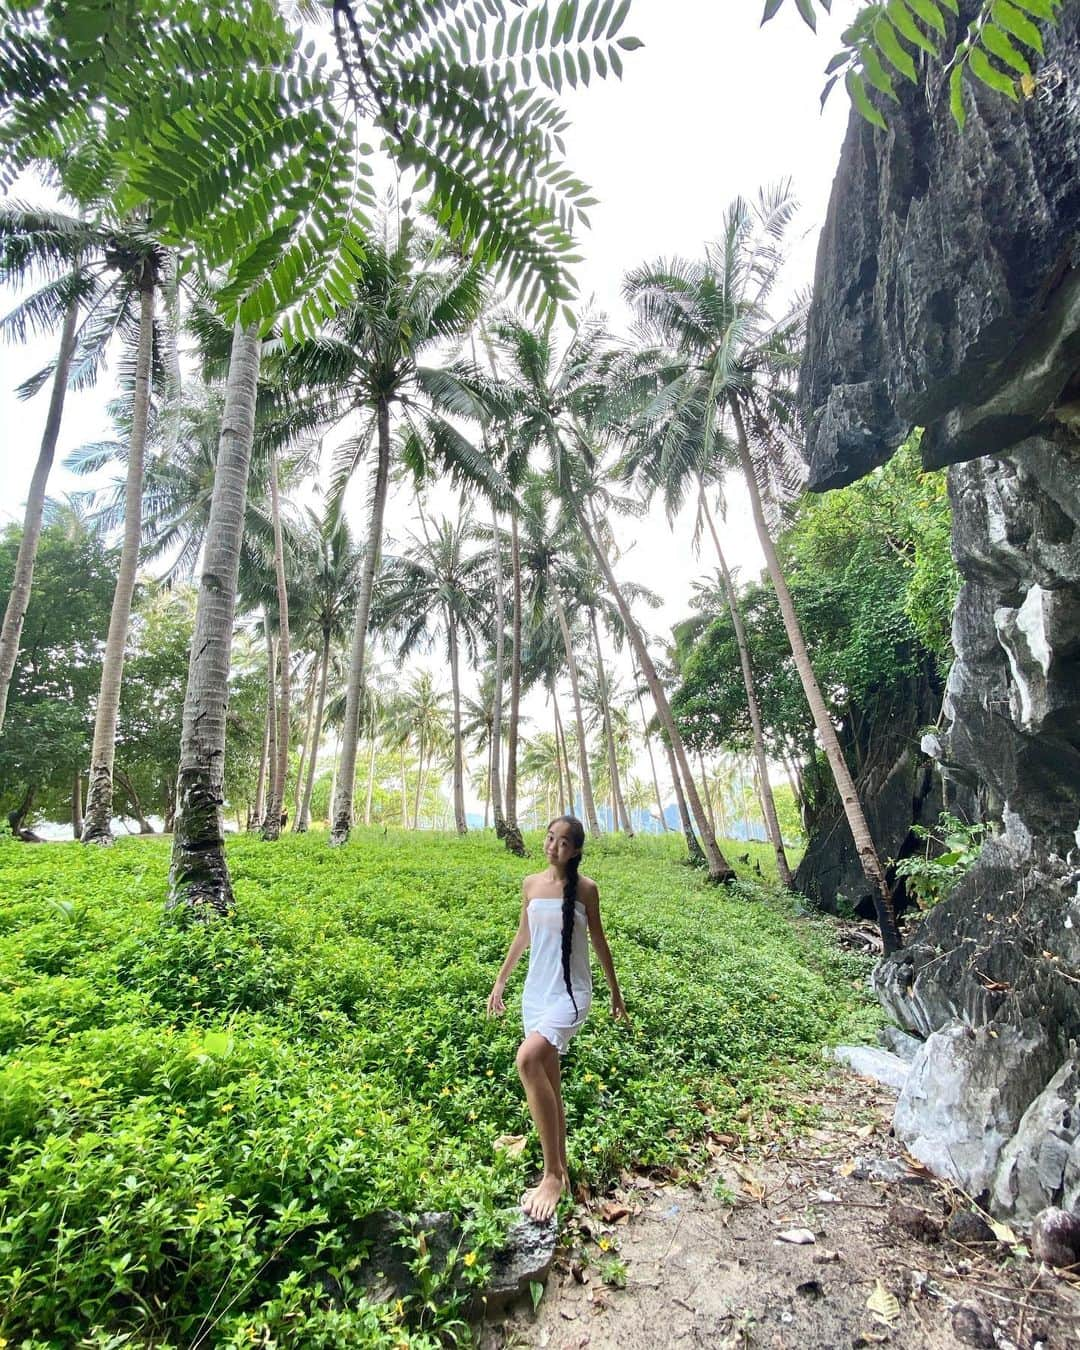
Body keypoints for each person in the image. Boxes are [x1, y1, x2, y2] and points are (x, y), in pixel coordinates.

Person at [486, 815, 629, 1222]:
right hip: (536, 994)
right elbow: (522, 937)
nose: (554, 847)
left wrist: (615, 994)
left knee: (527, 1060)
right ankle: (561, 1171)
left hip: (571, 994)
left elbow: (600, 941)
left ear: (577, 850)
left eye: (564, 842)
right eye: (550, 838)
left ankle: (551, 1175)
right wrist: (499, 984)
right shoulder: (531, 884)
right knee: (549, 1080)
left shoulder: (586, 890)